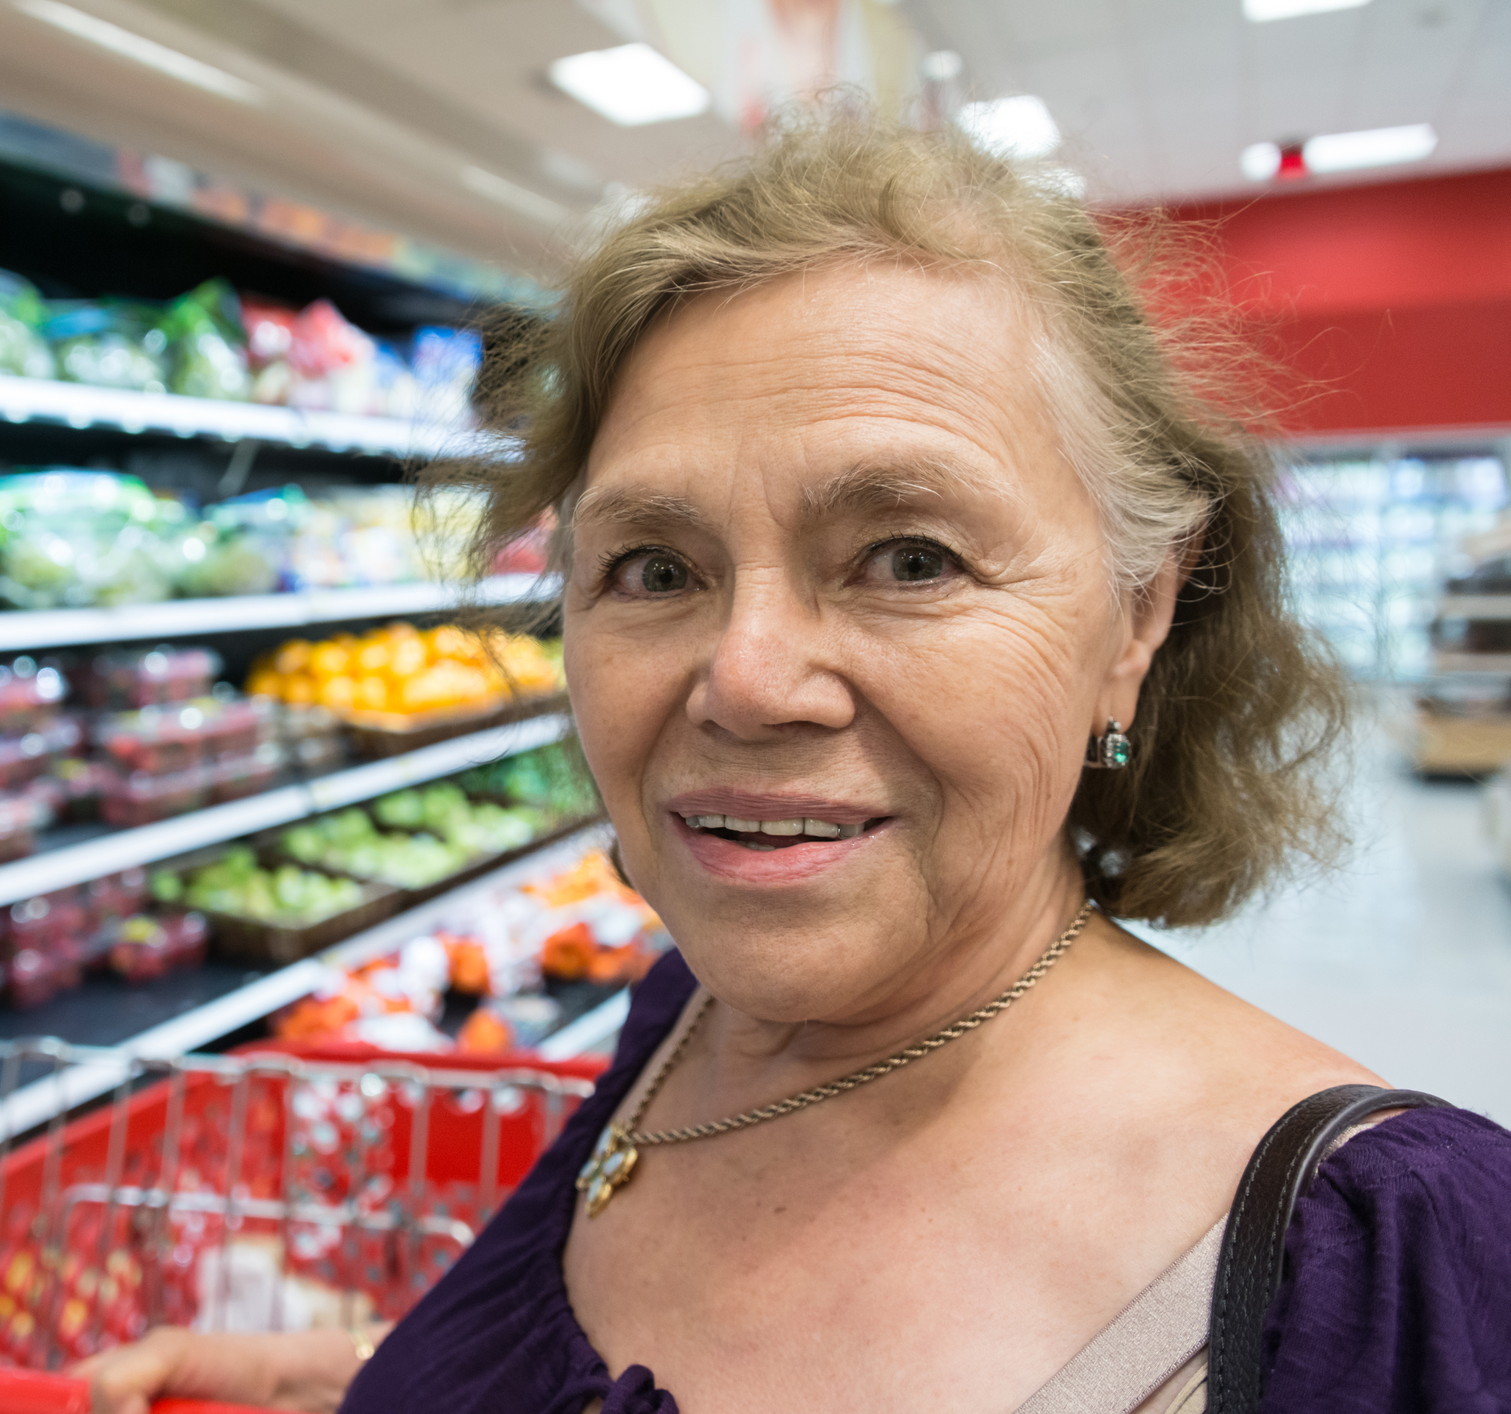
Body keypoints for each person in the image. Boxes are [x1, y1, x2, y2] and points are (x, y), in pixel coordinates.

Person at [79, 114, 1511, 1414]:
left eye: (909, 557)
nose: (748, 680)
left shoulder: (1385, 1255)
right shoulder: (690, 1021)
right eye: (652, 566)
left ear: (1138, 610)